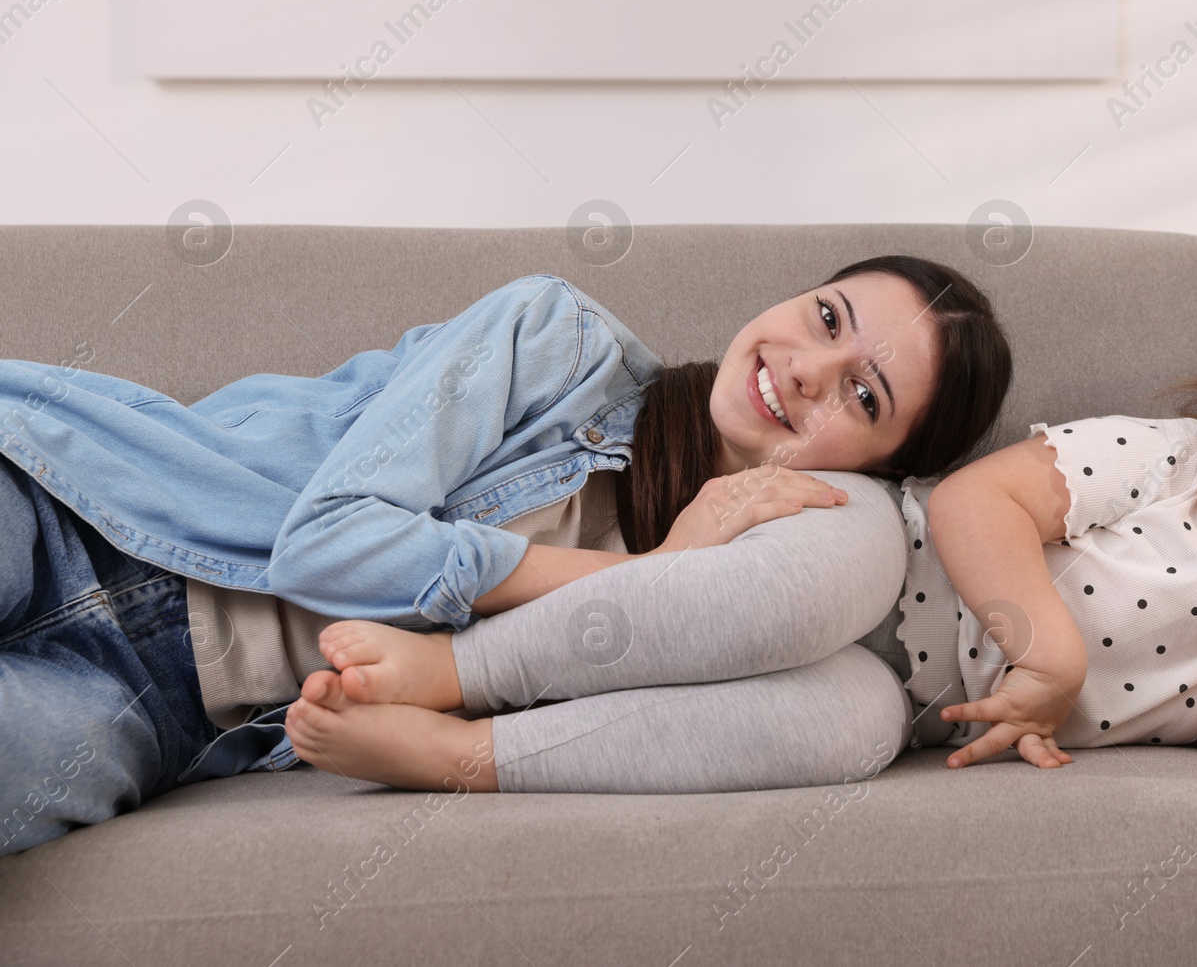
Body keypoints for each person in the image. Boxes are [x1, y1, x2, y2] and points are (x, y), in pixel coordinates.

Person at [283, 284, 1197, 792]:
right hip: (871, 547)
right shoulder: (1167, 464)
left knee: (842, 732)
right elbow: (972, 503)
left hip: (902, 694)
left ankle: (465, 757)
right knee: (779, 600)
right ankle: (458, 670)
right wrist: (1035, 640)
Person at [0, 256, 1012, 854]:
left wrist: (687, 580)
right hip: (78, 509)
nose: (804, 370)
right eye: (825, 318)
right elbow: (328, 543)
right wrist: (656, 572)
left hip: (162, 712)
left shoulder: (733, 612)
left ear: (884, 476)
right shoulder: (555, 340)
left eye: (862, 395)